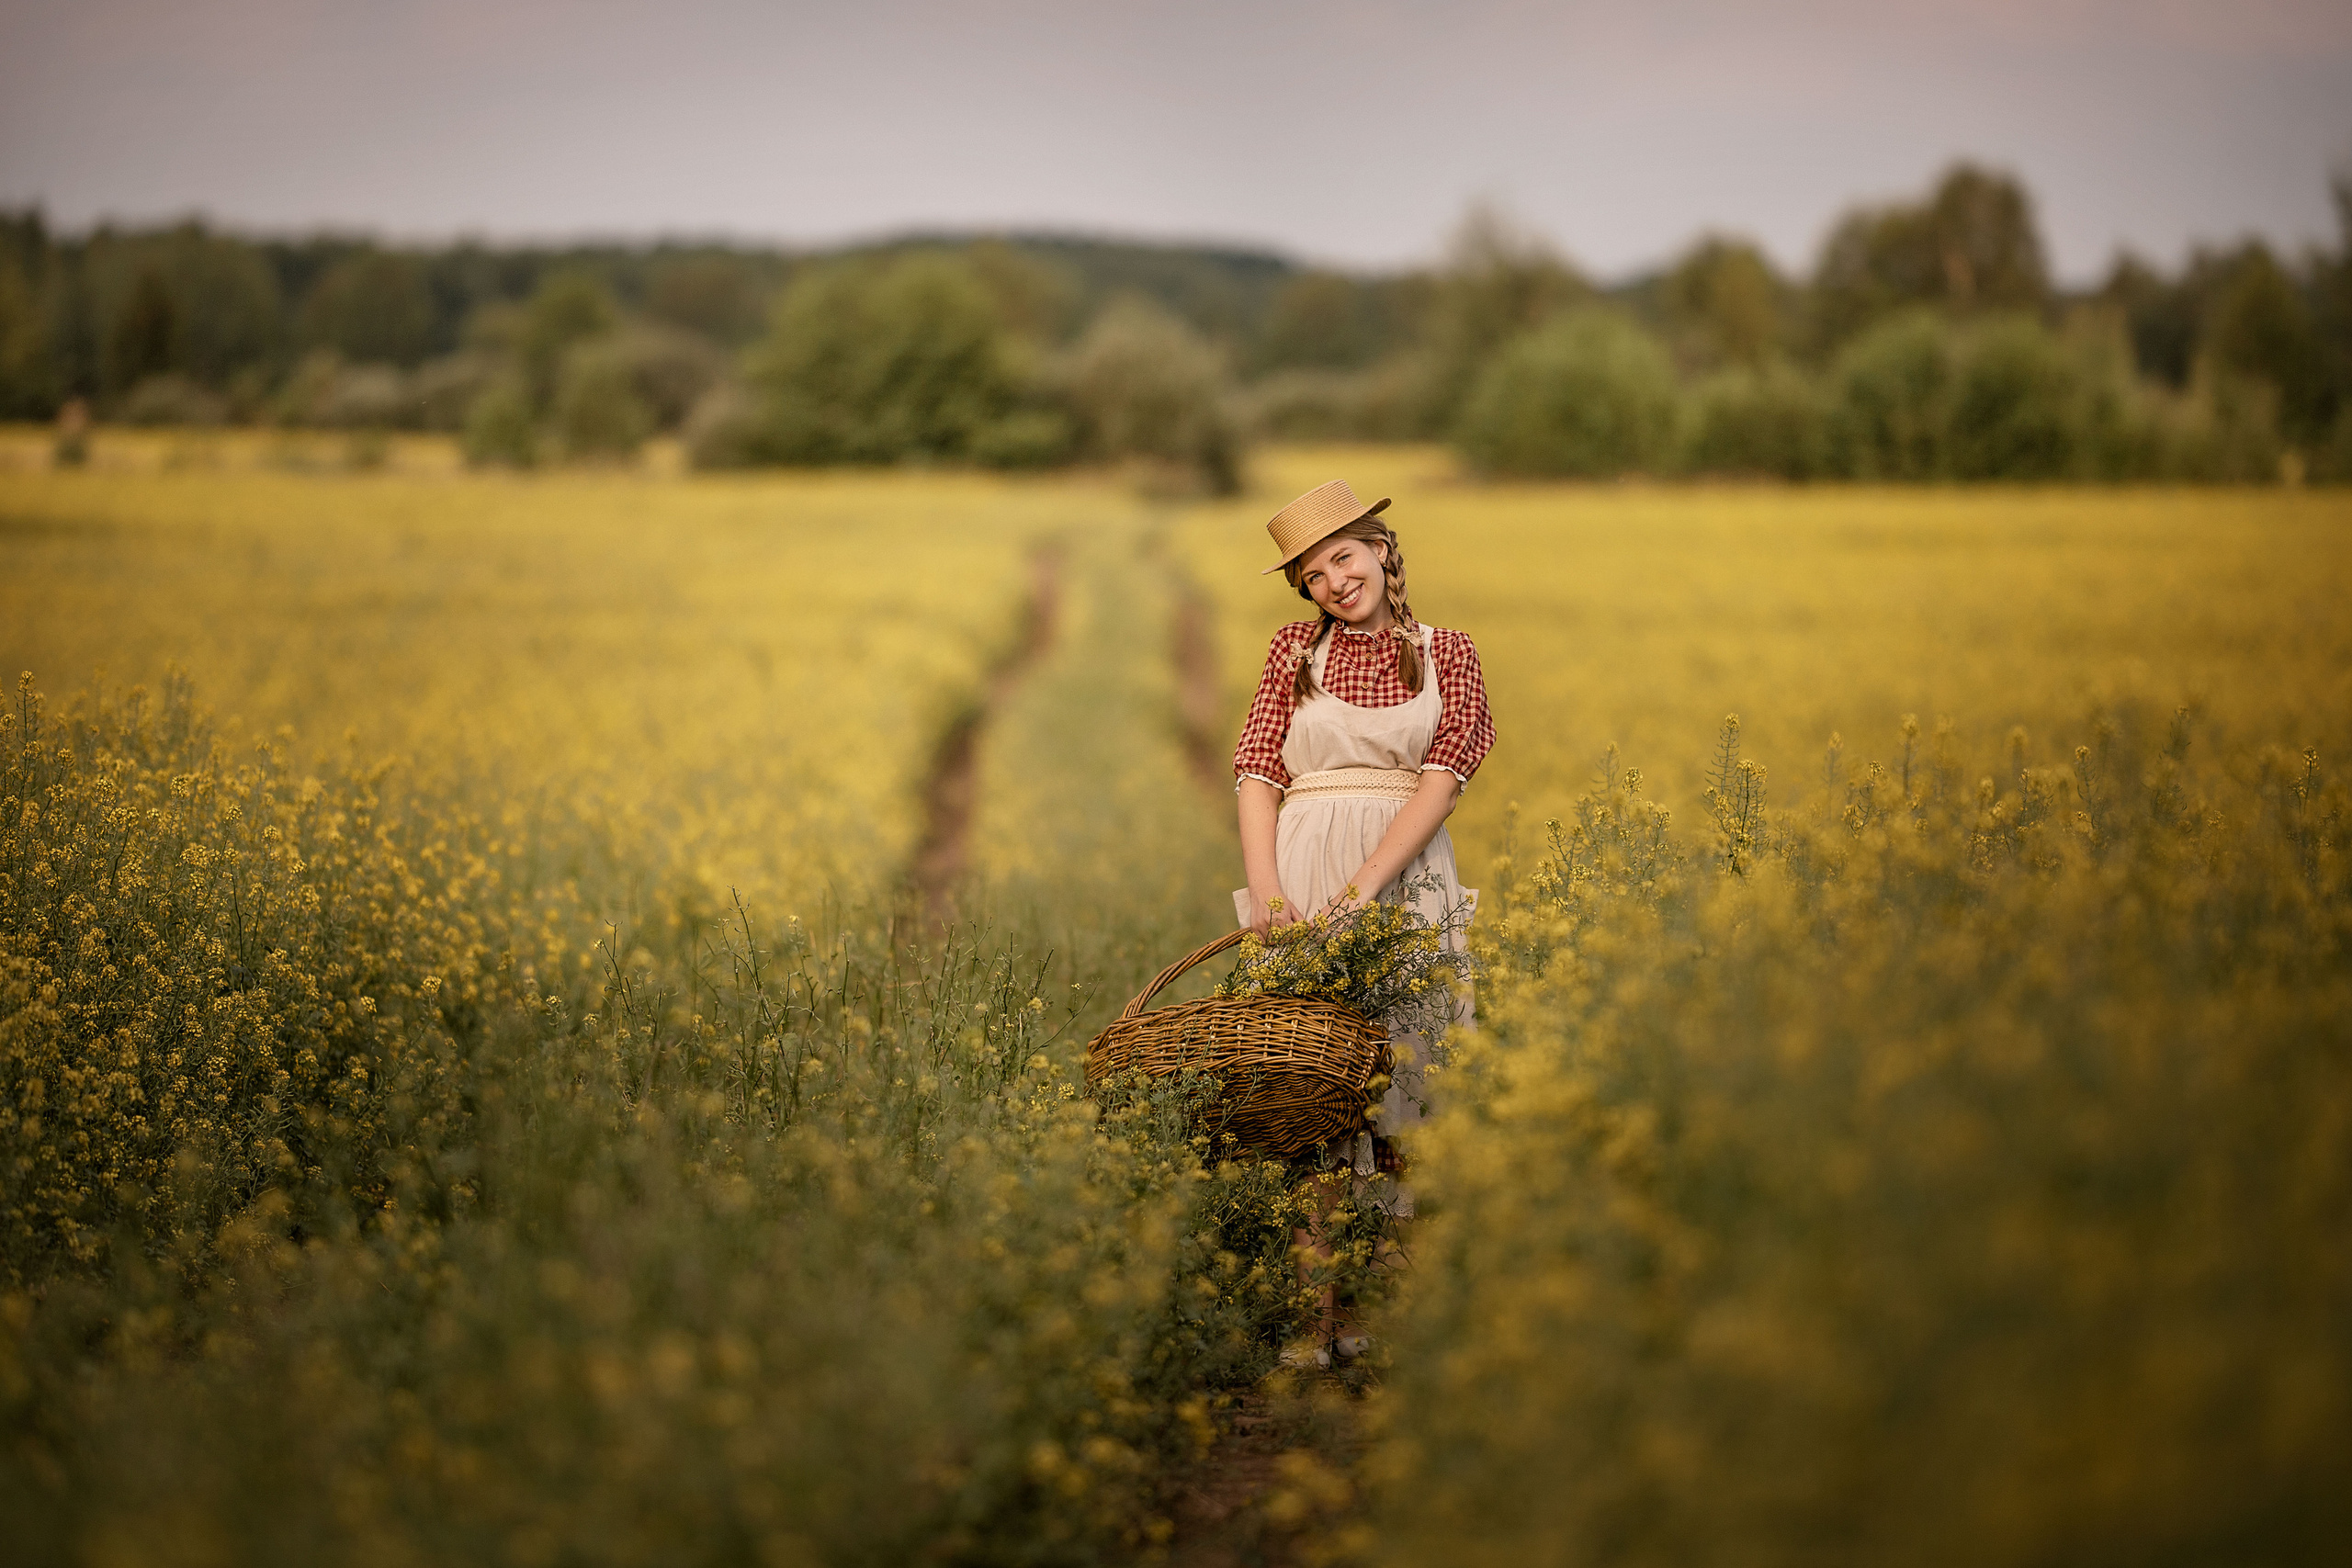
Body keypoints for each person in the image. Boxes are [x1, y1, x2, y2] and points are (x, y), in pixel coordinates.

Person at [1229, 479, 1495, 1370]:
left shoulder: (1447, 652)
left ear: (1380, 550)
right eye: (1312, 574)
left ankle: (1385, 1320)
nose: (1335, 582)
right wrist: (1268, 894)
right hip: (1302, 872)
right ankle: (1314, 1325)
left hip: (1405, 876)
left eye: (1343, 557)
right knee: (1309, 1093)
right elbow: (1257, 771)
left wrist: (1364, 889)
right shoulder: (1291, 652)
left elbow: (1445, 777)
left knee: (1404, 1087)